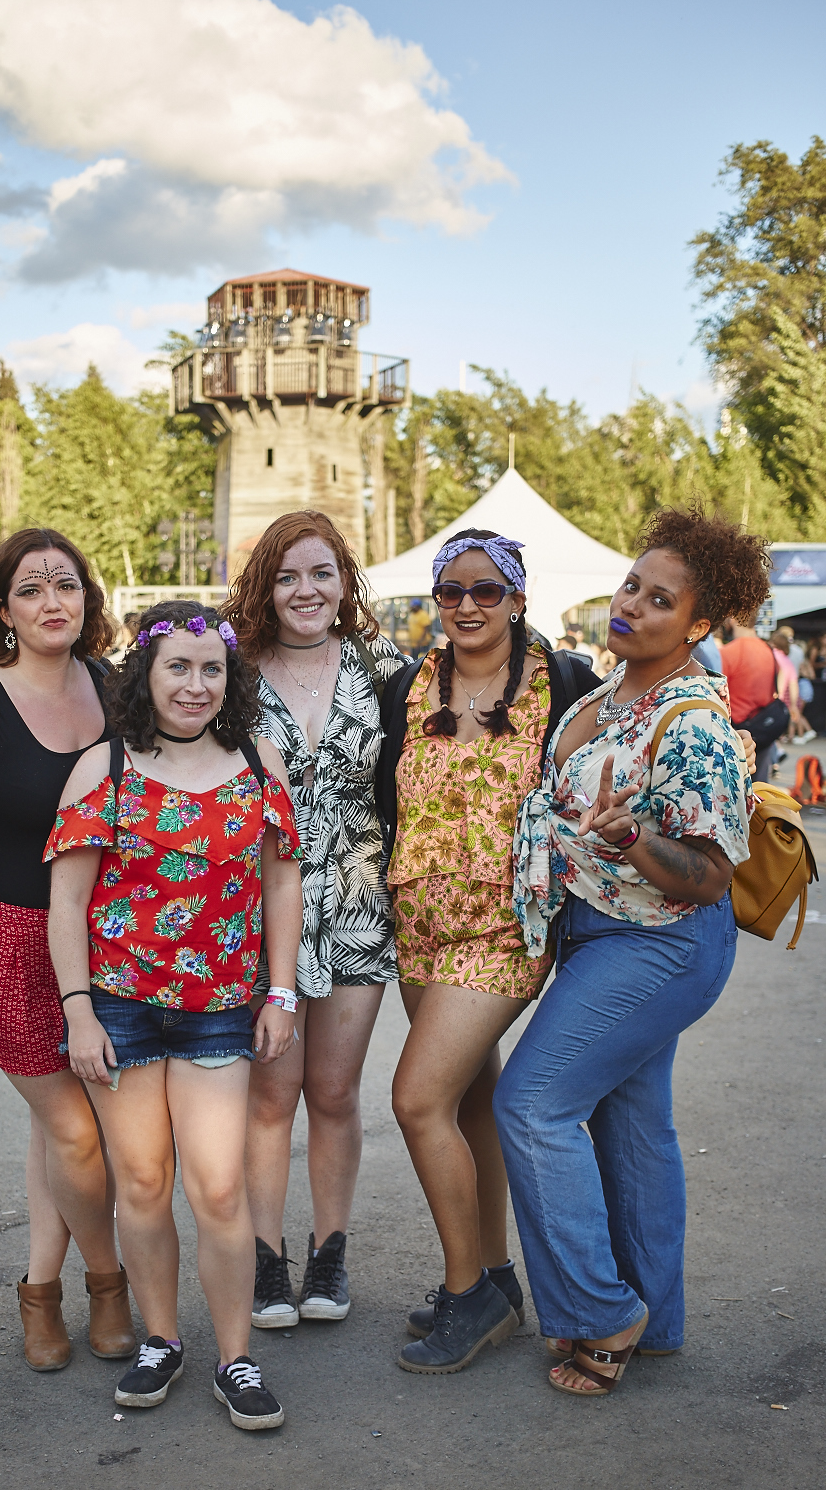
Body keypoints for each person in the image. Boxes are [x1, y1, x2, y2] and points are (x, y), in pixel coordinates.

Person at [501, 507, 767, 1398]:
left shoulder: (687, 714)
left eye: (661, 601)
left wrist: (636, 844)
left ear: (696, 624)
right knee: (632, 1125)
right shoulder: (608, 692)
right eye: (629, 586)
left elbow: (705, 873)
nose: (633, 607)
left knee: (532, 1106)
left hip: (658, 942)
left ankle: (601, 1313)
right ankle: (656, 1317)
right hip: (602, 935)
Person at [45, 602, 303, 1429]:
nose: (195, 686)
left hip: (220, 1010)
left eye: (210, 670)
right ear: (145, 676)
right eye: (177, 669)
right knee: (146, 1183)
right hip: (119, 1010)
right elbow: (68, 903)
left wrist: (283, 990)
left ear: (230, 679)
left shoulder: (258, 764)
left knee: (219, 1187)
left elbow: (281, 882)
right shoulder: (103, 767)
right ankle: (162, 1341)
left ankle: (236, 1357)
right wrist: (79, 1012)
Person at [376, 529, 600, 1373]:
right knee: (470, 1098)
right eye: (451, 593)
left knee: (413, 1099)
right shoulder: (410, 683)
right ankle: (497, 1280)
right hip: (419, 922)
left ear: (517, 598)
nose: (467, 606)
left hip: (508, 928)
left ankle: (465, 1295)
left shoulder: (565, 685)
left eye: (487, 591)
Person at [0, 529, 136, 1372]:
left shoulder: (119, 690)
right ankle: (108, 1282)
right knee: (77, 1134)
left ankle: (39, 1292)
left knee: (64, 1133)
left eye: (69, 585)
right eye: (34, 588)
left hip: (106, 945)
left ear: (89, 600)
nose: (55, 602)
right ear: (3, 609)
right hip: (5, 942)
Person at [220, 510, 408, 1330]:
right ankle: (267, 1261)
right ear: (267, 584)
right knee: (270, 1093)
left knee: (333, 1091)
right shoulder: (229, 669)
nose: (306, 590)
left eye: (322, 573)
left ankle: (330, 1253)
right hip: (262, 906)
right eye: (289, 575)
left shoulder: (385, 665)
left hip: (363, 898)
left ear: (345, 583)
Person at [720, 610, 783, 781]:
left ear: (732, 620)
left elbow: (718, 693)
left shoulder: (728, 652)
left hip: (736, 731)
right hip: (764, 727)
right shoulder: (769, 651)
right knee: (760, 788)